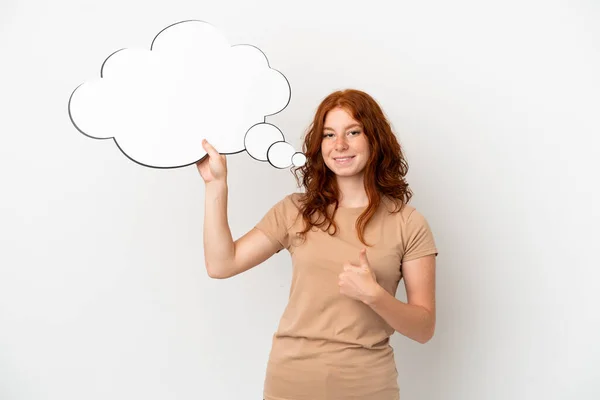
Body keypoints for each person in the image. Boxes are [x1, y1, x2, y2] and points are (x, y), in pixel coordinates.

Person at [197, 89, 438, 400]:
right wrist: (216, 184)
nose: (340, 145)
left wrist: (374, 295)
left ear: (374, 140)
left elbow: (424, 328)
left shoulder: (408, 222)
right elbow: (221, 264)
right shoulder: (296, 210)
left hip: (367, 387)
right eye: (329, 134)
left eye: (353, 132)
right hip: (290, 382)